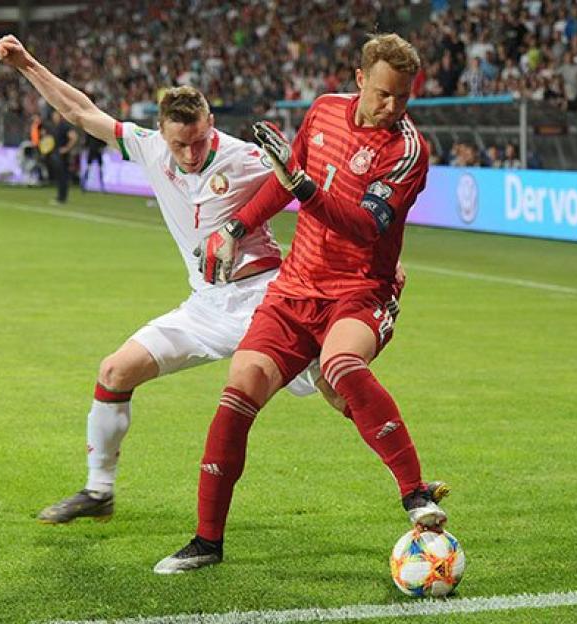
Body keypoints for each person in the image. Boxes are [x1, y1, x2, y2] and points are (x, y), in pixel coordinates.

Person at [0, 34, 349, 524]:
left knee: (336, 383)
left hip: (265, 300)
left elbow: (309, 186)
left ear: (211, 124)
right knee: (114, 372)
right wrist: (27, 64)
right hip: (204, 307)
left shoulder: (244, 157)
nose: (190, 153)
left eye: (199, 140)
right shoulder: (149, 148)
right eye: (180, 143)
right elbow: (80, 112)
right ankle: (99, 491)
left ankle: (413, 489)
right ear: (161, 133)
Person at [154, 33, 449, 574]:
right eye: (383, 94)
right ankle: (207, 540)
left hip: (361, 289)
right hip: (294, 287)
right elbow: (285, 183)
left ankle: (414, 493)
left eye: (404, 97)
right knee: (239, 389)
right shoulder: (323, 111)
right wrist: (236, 227)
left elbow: (365, 227)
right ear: (360, 80)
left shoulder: (408, 150)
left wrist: (304, 185)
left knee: (340, 365)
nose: (393, 107)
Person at [49, 110, 78, 204]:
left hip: (63, 156)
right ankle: (60, 196)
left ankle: (62, 197)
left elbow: (74, 137)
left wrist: (66, 148)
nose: (54, 117)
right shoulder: (55, 127)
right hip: (56, 154)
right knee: (59, 176)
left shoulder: (65, 126)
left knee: (63, 176)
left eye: (55, 115)